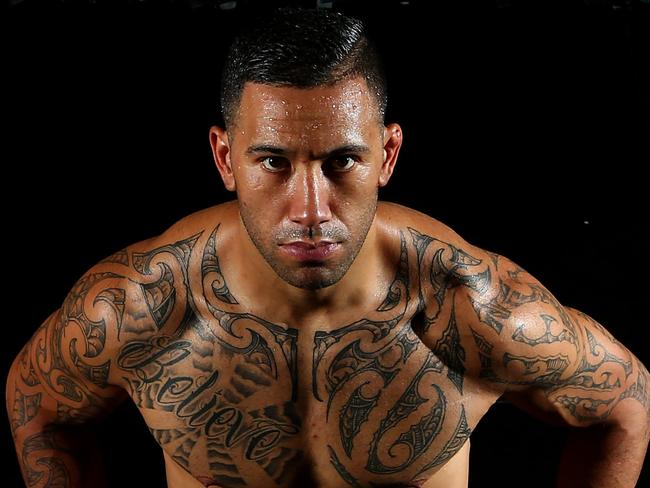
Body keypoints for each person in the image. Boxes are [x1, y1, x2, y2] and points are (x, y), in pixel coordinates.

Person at [6, 7, 649, 488]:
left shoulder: (471, 305)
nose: (310, 210)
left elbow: (623, 403)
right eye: (273, 163)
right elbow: (36, 406)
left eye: (342, 160)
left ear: (387, 155)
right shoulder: (143, 305)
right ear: (225, 157)